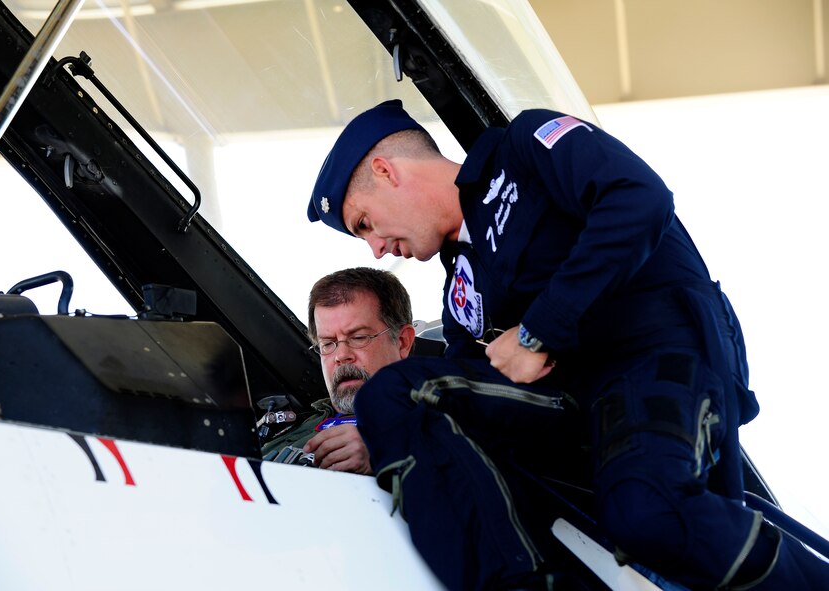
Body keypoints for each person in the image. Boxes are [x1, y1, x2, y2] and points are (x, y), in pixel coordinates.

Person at [306, 100, 829, 590]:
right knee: (397, 396)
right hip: (575, 403)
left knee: (645, 511)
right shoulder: (461, 287)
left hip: (657, 354)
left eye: (364, 224)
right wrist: (380, 436)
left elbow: (638, 198)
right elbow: (458, 390)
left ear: (386, 171)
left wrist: (538, 331)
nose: (376, 248)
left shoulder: (526, 148)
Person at [261, 266, 416, 475]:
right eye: (328, 344)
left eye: (358, 337)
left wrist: (386, 453)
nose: (341, 355)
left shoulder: (442, 422)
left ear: (402, 341)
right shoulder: (285, 430)